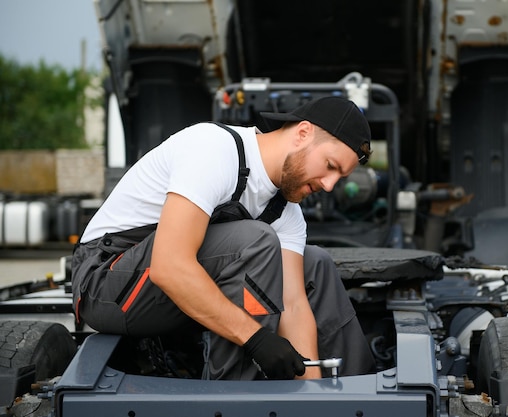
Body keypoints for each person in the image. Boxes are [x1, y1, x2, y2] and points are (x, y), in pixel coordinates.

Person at [71, 96, 376, 381]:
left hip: (163, 294)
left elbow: (293, 306)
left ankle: (348, 397)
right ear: (303, 133)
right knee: (255, 241)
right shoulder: (215, 149)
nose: (329, 185)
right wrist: (257, 340)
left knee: (315, 263)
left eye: (340, 177)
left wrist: (312, 391)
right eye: (330, 166)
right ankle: (231, 398)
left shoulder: (288, 214)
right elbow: (169, 267)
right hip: (106, 283)